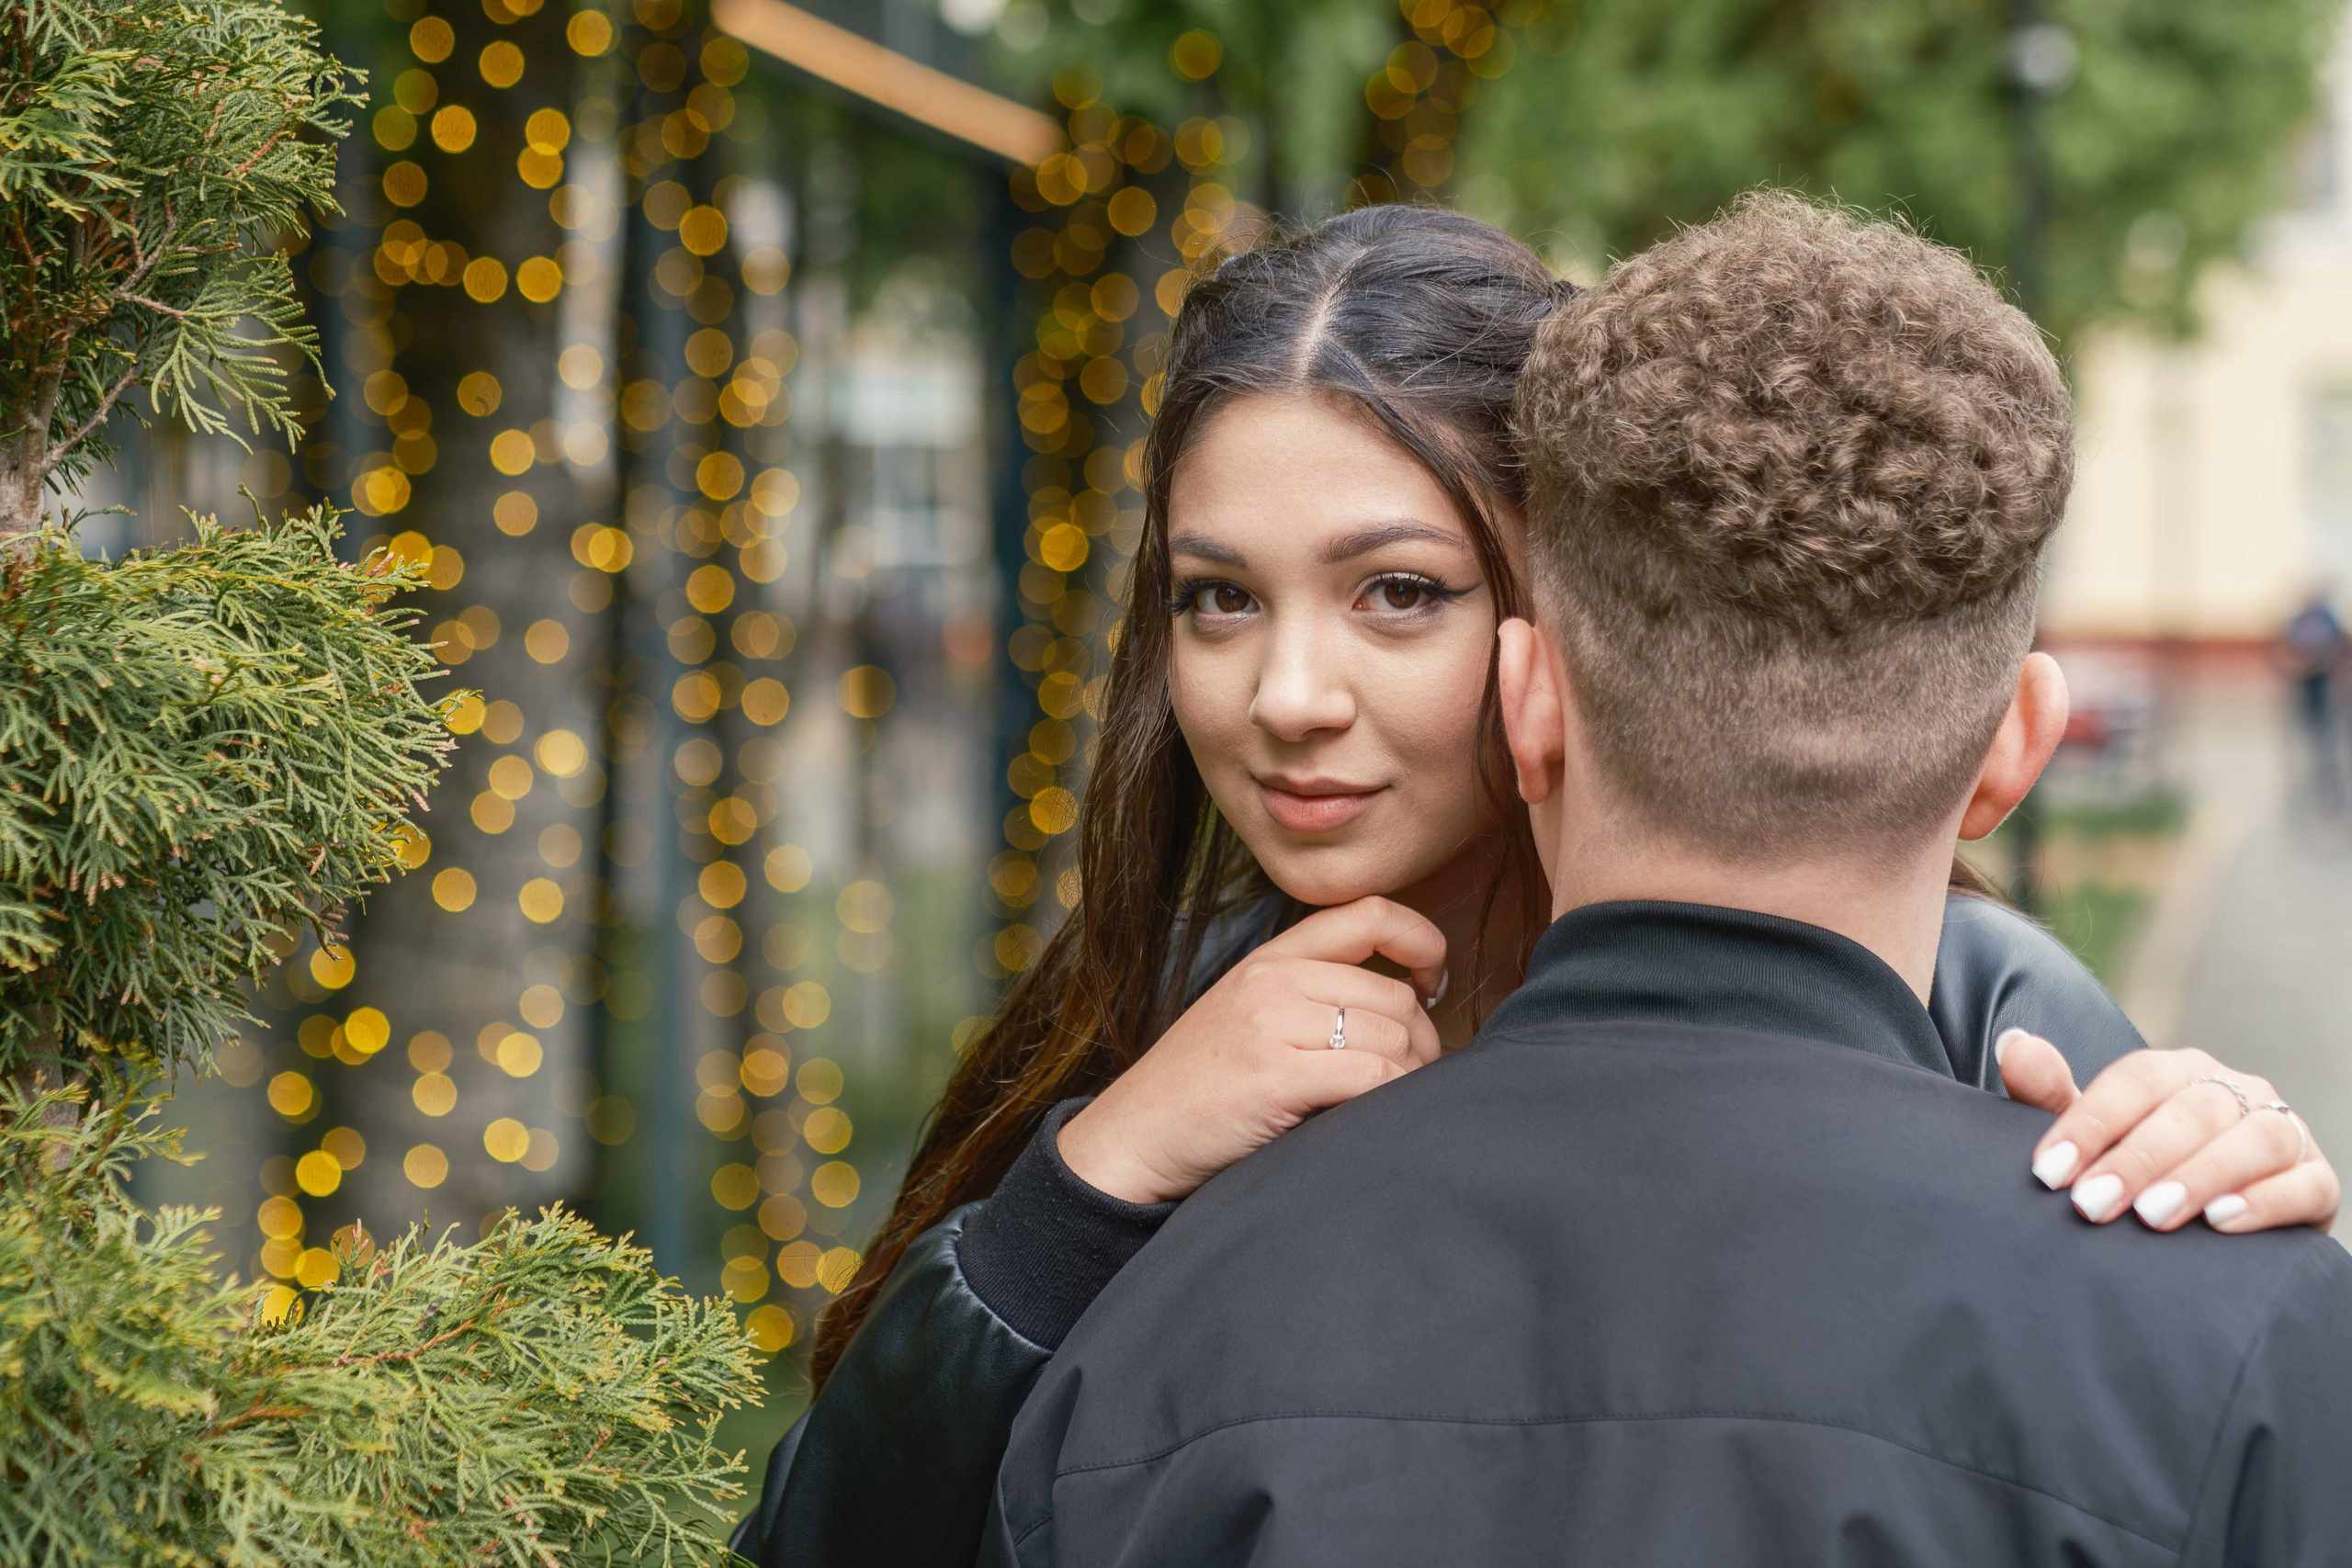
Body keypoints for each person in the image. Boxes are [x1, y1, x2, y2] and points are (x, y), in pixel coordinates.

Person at [739, 207, 2339, 1567]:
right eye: (1218, 599)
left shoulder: (1984, 1007)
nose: (1286, 690)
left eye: (1398, 594)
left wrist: (2214, 1151)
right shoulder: (1153, 1016)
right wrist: (1086, 1189)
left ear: (1551, 645)